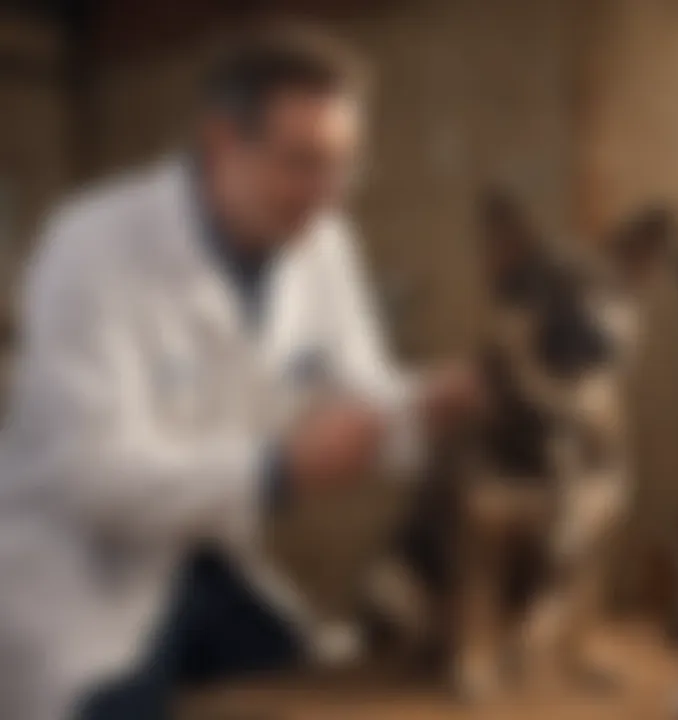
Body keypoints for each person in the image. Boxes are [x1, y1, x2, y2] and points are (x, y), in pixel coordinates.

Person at [0, 26, 480, 720]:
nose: (329, 196)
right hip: (81, 571)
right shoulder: (91, 245)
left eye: (343, 167)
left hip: (206, 554)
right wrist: (272, 472)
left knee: (303, 686)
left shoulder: (322, 242)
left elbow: (362, 388)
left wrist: (429, 403)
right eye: (304, 164)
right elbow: (92, 478)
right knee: (116, 704)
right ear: (223, 141)